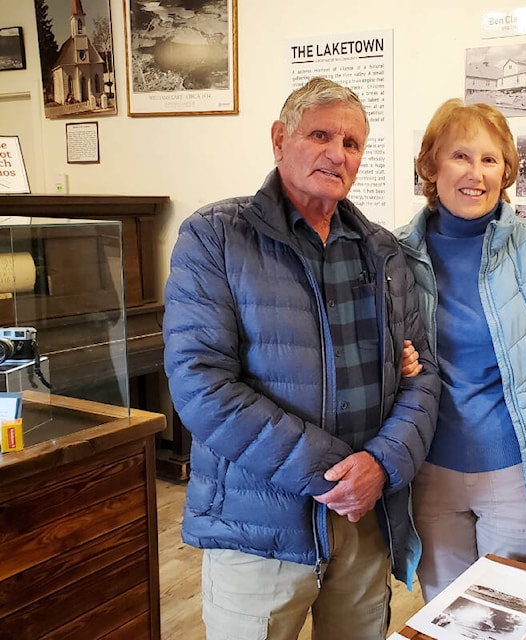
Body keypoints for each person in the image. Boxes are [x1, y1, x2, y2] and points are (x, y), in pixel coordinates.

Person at [163, 76, 440, 640]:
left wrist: (382, 465)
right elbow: (200, 384)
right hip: (256, 529)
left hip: (364, 523)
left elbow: (423, 375)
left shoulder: (384, 252)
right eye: (321, 134)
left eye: (352, 143)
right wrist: (334, 474)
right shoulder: (214, 237)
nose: (337, 153)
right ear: (278, 138)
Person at [395, 99, 526, 602]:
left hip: (519, 477)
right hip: (430, 476)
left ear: (506, 171)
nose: (476, 173)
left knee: (514, 617)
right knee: (445, 615)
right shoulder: (395, 254)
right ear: (430, 165)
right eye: (460, 156)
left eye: (490, 160)